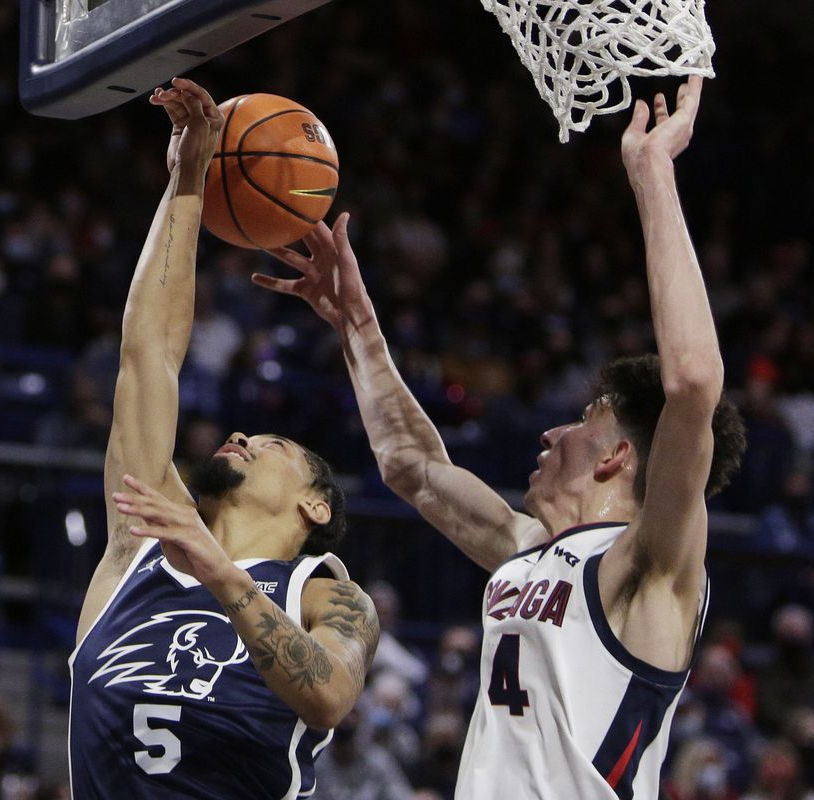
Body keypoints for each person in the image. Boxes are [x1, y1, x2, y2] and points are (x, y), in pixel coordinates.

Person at [259, 75, 746, 798]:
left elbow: (695, 383)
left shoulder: (649, 565)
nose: (554, 431)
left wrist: (652, 175)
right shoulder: (526, 549)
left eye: (584, 421)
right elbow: (413, 468)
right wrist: (356, 323)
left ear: (618, 455)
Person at [68, 78, 379, 800]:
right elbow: (148, 354)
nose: (243, 435)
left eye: (275, 445)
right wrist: (186, 180)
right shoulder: (136, 547)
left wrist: (218, 570)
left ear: (317, 509)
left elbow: (329, 695)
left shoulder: (328, 598)